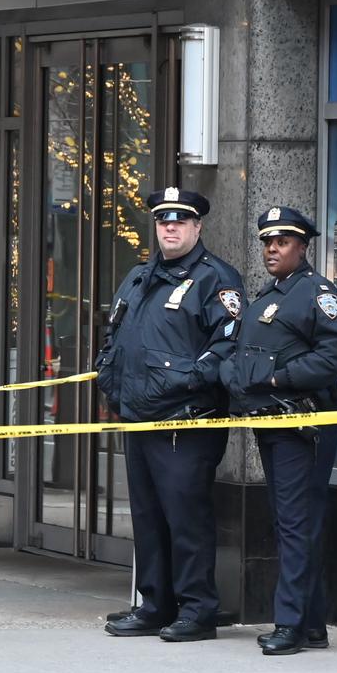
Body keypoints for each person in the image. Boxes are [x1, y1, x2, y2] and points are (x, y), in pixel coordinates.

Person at [96, 186, 242, 642]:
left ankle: (197, 610)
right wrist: (108, 376)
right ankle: (155, 604)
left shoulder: (215, 278)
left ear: (198, 227)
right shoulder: (139, 277)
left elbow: (227, 346)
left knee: (186, 518)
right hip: (139, 418)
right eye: (164, 221)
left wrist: (188, 383)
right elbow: (114, 335)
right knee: (148, 516)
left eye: (180, 221)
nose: (171, 228)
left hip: (186, 422)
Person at [225, 206, 337, 656]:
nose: (271, 250)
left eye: (281, 242)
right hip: (273, 423)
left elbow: (335, 355)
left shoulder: (317, 293)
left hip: (304, 426)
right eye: (266, 242)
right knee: (290, 523)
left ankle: (290, 624)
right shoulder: (269, 294)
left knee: (296, 524)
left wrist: (281, 378)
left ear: (303, 246)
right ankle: (312, 623)